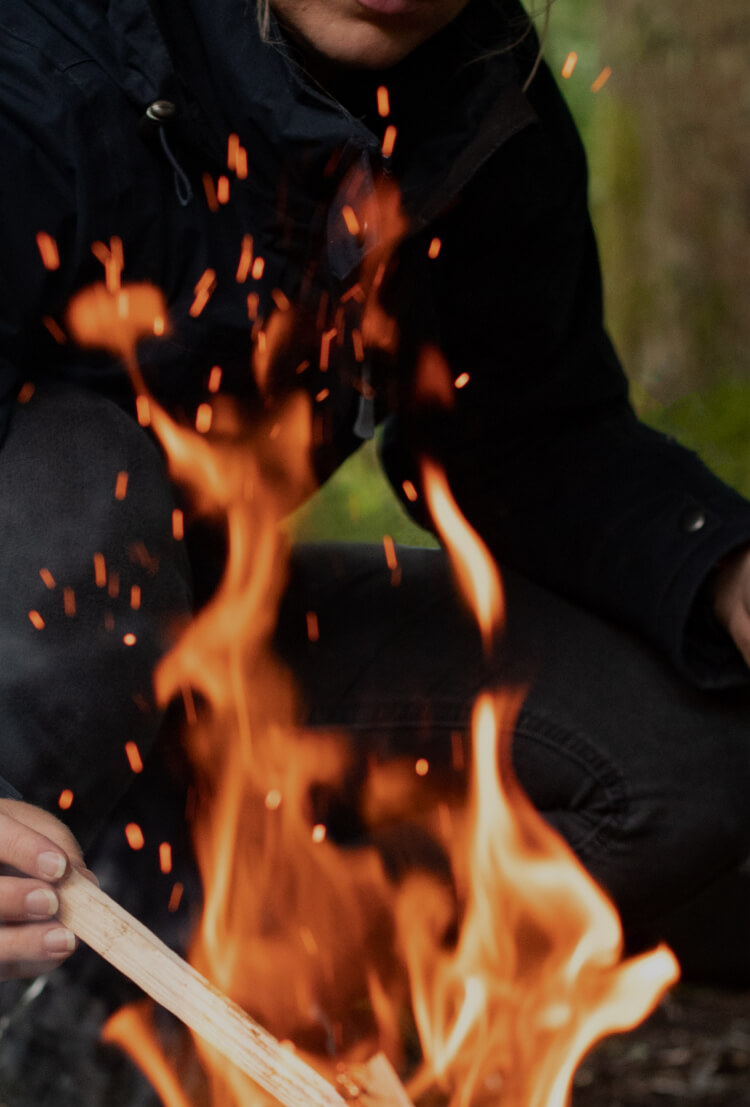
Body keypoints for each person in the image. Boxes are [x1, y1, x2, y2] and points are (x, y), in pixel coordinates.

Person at [1, 0, 750, 994]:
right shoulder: (39, 71)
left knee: (682, 764)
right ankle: (64, 1013)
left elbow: (529, 440)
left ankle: (254, 1013)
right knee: (82, 484)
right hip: (26, 700)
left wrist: (725, 570)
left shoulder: (482, 92)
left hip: (218, 665)